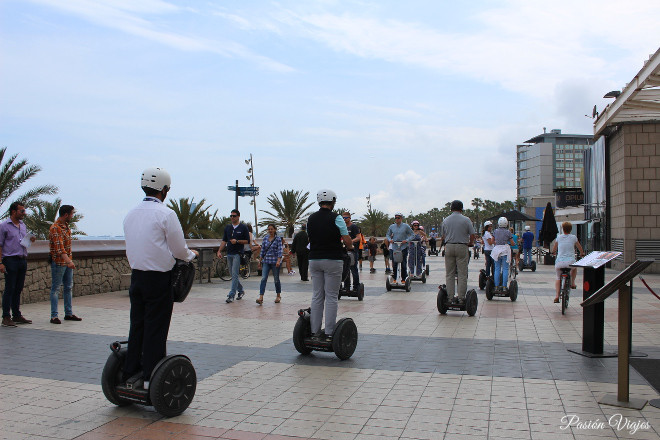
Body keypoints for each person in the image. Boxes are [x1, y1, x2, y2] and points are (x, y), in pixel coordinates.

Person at [123, 167, 198, 389]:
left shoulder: (131, 213)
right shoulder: (166, 214)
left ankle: (130, 371)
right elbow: (178, 250)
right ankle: (149, 379)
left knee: (137, 325)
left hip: (137, 278)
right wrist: (190, 255)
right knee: (156, 328)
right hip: (158, 279)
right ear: (164, 190)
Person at [307, 189, 353, 341]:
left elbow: (311, 237)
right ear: (332, 201)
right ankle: (328, 333)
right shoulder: (337, 218)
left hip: (314, 260)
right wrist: (349, 247)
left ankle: (314, 333)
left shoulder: (311, 219)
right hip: (333, 260)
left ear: (319, 201)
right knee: (332, 296)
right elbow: (347, 241)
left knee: (317, 296)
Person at [1, 201, 36, 327]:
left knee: (18, 288)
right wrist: (1, 263)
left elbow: (23, 241)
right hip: (10, 260)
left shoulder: (22, 225)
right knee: (9, 288)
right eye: (22, 211)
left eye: (24, 211)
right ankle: (6, 316)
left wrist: (30, 240)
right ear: (13, 211)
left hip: (22, 259)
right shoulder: (4, 226)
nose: (24, 213)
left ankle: (16, 314)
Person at [48, 204, 82, 324]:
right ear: (66, 214)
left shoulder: (66, 227)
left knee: (68, 287)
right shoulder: (56, 228)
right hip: (59, 262)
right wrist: (69, 261)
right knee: (56, 288)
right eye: (72, 214)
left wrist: (69, 261)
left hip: (67, 262)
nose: (72, 216)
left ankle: (68, 313)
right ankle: (54, 315)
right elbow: (59, 249)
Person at [440, 201, 475, 302]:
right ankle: (461, 298)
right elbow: (472, 234)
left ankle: (450, 297)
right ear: (461, 209)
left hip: (449, 246)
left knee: (450, 273)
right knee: (462, 273)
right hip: (462, 246)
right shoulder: (466, 220)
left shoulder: (445, 220)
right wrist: (470, 243)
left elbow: (443, 236)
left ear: (451, 209)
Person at [217, 209, 250, 303]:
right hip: (229, 253)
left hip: (237, 254)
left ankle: (231, 295)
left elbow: (247, 241)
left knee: (235, 274)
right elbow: (224, 240)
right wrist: (219, 251)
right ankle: (241, 290)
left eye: (234, 216)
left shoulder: (243, 227)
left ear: (238, 216)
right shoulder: (228, 228)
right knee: (232, 274)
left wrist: (237, 241)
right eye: (231, 216)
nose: (232, 217)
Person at [552, 222, 585, 303]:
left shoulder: (559, 237)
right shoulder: (573, 237)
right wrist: (582, 253)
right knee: (574, 268)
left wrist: (553, 252)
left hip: (560, 262)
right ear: (571, 229)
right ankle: (573, 283)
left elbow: (554, 248)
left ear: (563, 229)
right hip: (570, 262)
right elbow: (579, 247)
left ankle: (556, 296)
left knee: (558, 277)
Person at [257, 224, 283, 305]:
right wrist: (260, 261)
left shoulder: (278, 239)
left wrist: (278, 261)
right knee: (263, 278)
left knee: (276, 279)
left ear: (275, 230)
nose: (270, 230)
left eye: (272, 229)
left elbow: (280, 250)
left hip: (275, 262)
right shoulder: (265, 239)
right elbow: (262, 251)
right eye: (269, 229)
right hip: (266, 261)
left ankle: (278, 295)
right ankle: (261, 297)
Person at [386, 213, 414, 284]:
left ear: (401, 218)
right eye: (396, 218)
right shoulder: (392, 226)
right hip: (395, 247)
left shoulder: (406, 226)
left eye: (398, 218)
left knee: (403, 263)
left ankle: (403, 279)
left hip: (403, 247)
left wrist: (407, 240)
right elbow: (388, 235)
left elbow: (412, 234)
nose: (397, 219)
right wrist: (390, 240)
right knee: (395, 263)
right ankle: (395, 278)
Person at [491, 217, 515, 291]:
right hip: (505, 251)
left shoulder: (495, 231)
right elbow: (512, 243)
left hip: (497, 250)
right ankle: (504, 287)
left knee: (497, 269)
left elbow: (492, 241)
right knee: (505, 269)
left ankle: (496, 286)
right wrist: (513, 244)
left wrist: (497, 243)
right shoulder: (508, 232)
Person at [342, 212, 360, 292]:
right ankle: (346, 286)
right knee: (345, 269)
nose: (344, 219)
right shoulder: (342, 227)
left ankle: (356, 286)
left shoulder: (353, 227)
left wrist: (351, 241)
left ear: (350, 218)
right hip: (344, 250)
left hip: (353, 251)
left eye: (346, 218)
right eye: (343, 218)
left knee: (353, 268)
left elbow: (358, 237)